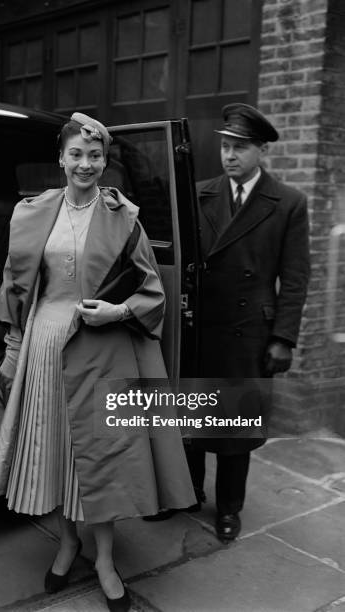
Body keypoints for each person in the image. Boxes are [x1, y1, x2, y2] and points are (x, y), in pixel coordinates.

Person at [0, 112, 195, 611]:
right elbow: (16, 286)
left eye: (94, 156)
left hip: (102, 350)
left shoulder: (123, 217)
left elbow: (152, 291)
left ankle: (104, 559)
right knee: (56, 453)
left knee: (102, 459)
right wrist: (13, 350)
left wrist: (117, 310)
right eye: (76, 154)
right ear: (60, 159)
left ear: (105, 162)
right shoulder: (32, 213)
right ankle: (69, 541)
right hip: (45, 346)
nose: (85, 164)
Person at [185, 103, 310, 542]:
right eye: (225, 146)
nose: (230, 155)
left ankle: (229, 507)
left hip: (248, 332)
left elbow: (295, 277)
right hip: (200, 326)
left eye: (240, 147)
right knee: (191, 417)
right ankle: (188, 493)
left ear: (261, 151)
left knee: (235, 426)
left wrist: (283, 338)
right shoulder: (198, 192)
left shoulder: (288, 202)